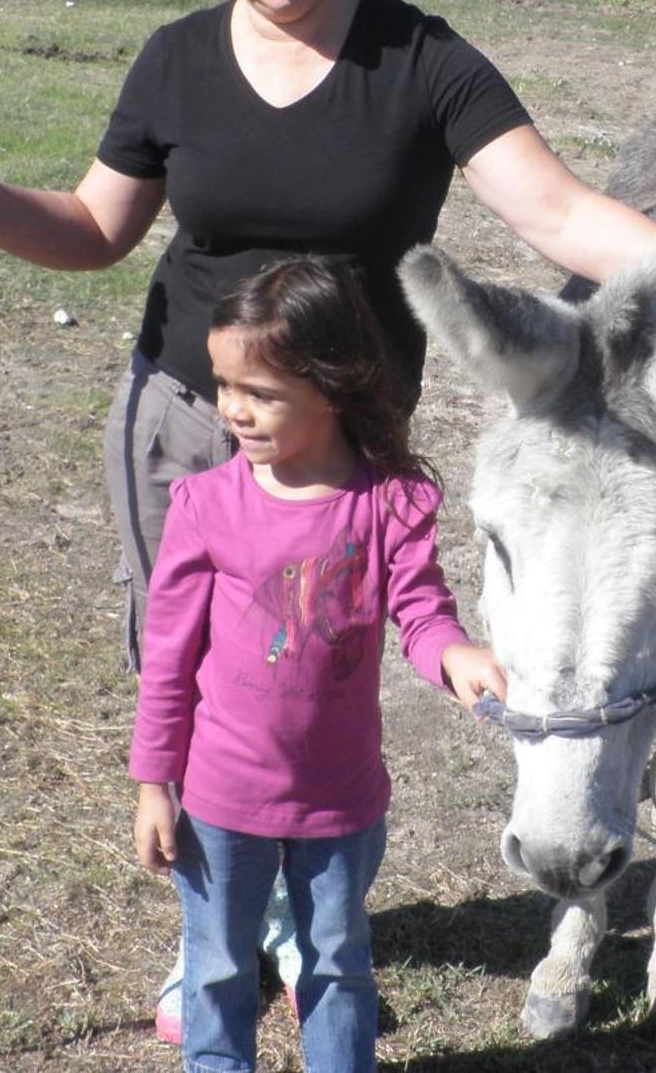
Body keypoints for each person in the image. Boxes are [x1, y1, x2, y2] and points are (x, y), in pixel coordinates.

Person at [0, 0, 656, 1040]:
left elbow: (557, 211)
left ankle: (313, 916)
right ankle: (226, 936)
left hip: (351, 442)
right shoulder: (177, 61)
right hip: (191, 419)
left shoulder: (422, 60)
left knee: (322, 668)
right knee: (188, 663)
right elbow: (90, 232)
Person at [129, 255, 505, 1072]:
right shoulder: (206, 507)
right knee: (217, 965)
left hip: (340, 802)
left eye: (259, 392)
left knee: (336, 962)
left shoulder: (389, 503)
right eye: (225, 385)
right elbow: (166, 660)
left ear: (332, 386)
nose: (234, 409)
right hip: (219, 802)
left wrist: (456, 655)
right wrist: (154, 783)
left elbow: (420, 610)